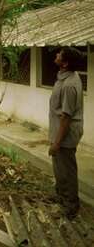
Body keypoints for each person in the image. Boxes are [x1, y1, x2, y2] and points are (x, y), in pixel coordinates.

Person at [48, 47, 83, 219]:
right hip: (59, 132)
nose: (56, 55)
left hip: (65, 134)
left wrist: (56, 143)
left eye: (59, 55)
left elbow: (66, 117)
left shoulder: (70, 85)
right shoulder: (64, 76)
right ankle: (61, 198)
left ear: (65, 63)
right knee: (59, 168)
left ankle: (71, 205)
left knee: (67, 170)